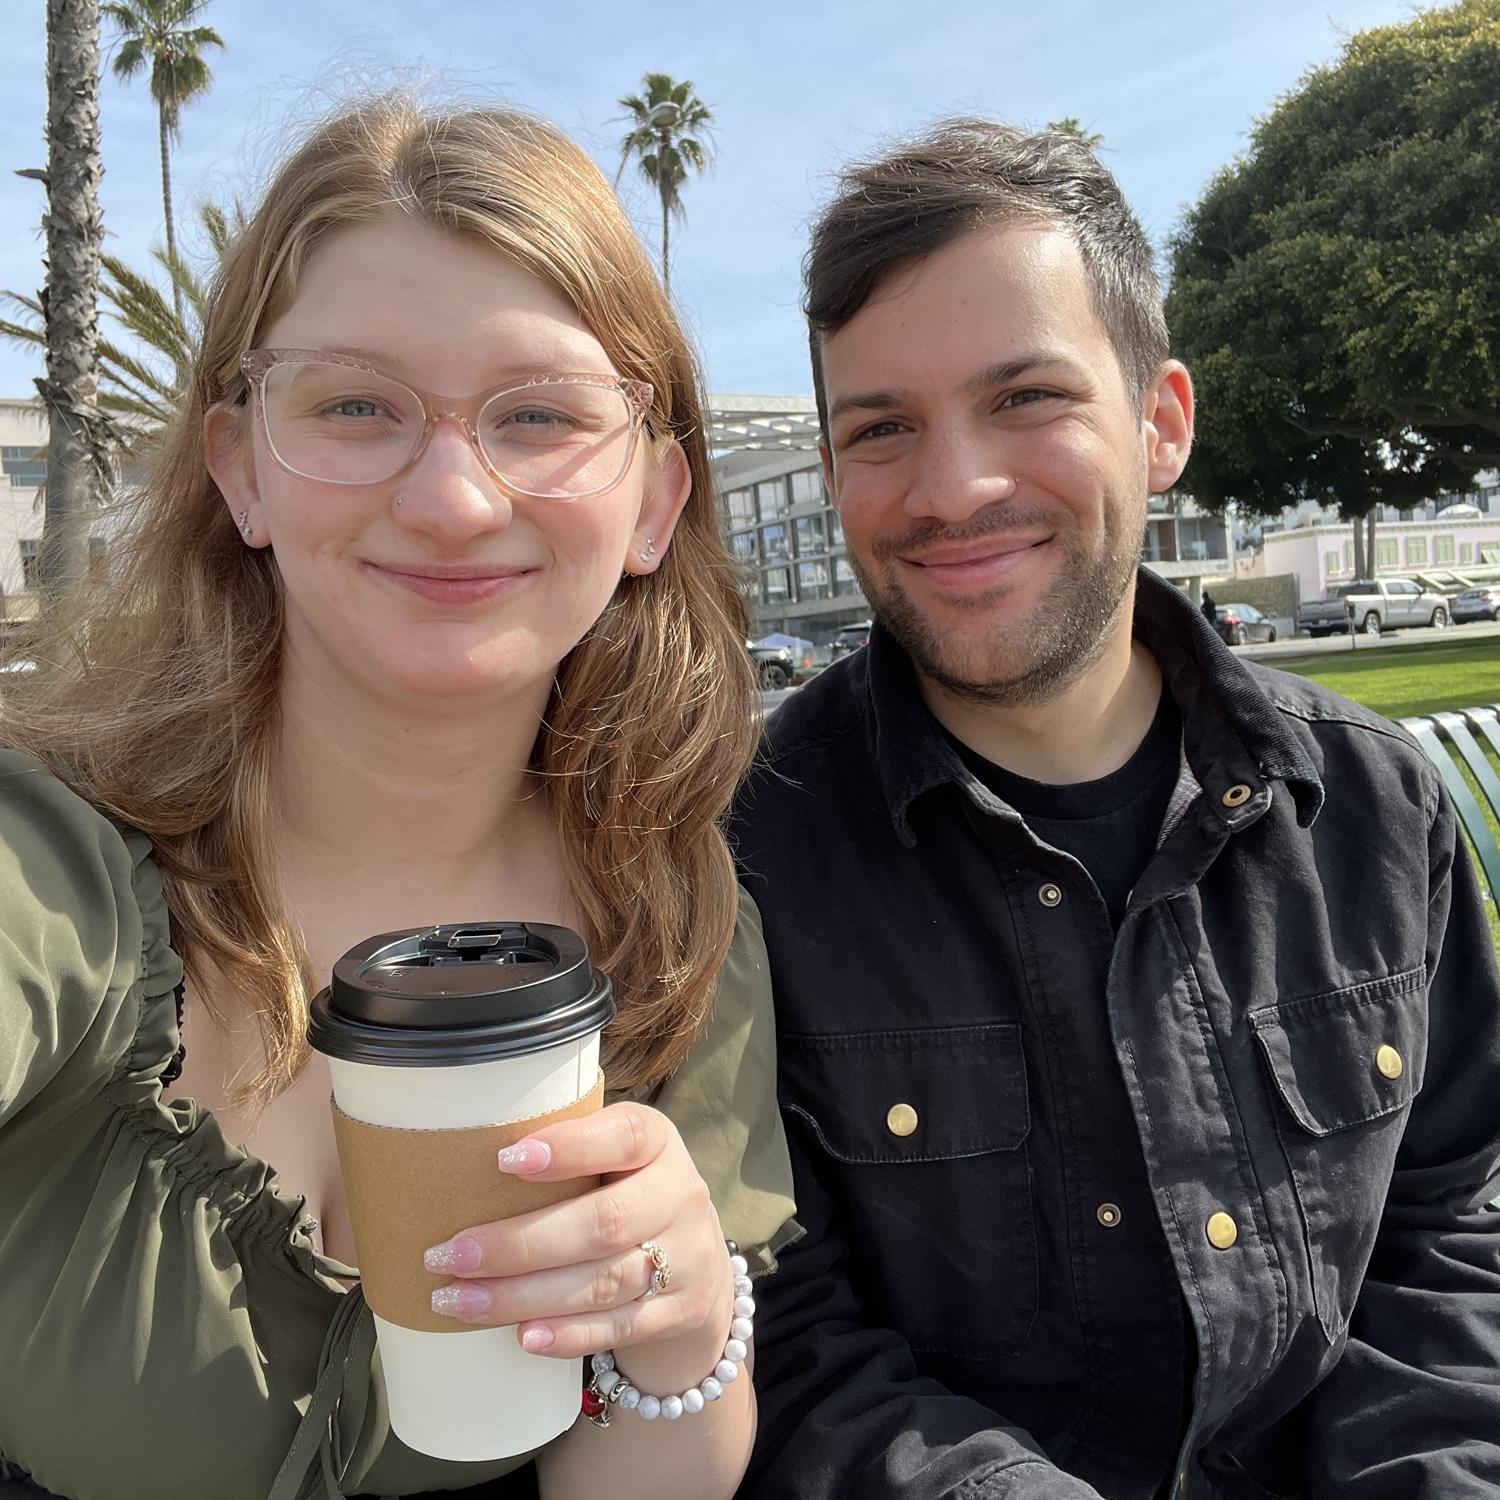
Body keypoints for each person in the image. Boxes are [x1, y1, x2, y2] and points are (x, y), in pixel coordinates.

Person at [0, 98, 796, 1500]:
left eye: (539, 415)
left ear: (655, 504)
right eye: (356, 406)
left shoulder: (678, 930)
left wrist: (678, 1326)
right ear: (240, 469)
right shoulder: (51, 868)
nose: (452, 499)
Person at [733, 120, 1500, 1499]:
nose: (954, 489)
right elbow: (777, 1338)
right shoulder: (742, 863)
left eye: (1026, 397)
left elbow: (1450, 1219)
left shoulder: (1377, 807)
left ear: (1161, 425)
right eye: (882, 428)